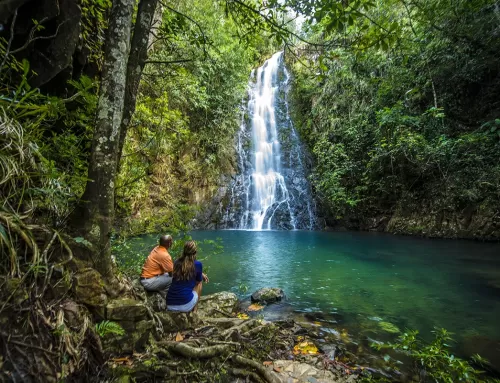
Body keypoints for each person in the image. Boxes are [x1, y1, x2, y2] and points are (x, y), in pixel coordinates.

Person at [166, 240, 209, 313]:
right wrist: (200, 275)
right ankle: (195, 310)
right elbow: (198, 281)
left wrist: (201, 273)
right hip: (184, 306)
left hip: (169, 304)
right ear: (195, 252)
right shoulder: (198, 264)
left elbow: (185, 268)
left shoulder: (177, 262)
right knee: (200, 282)